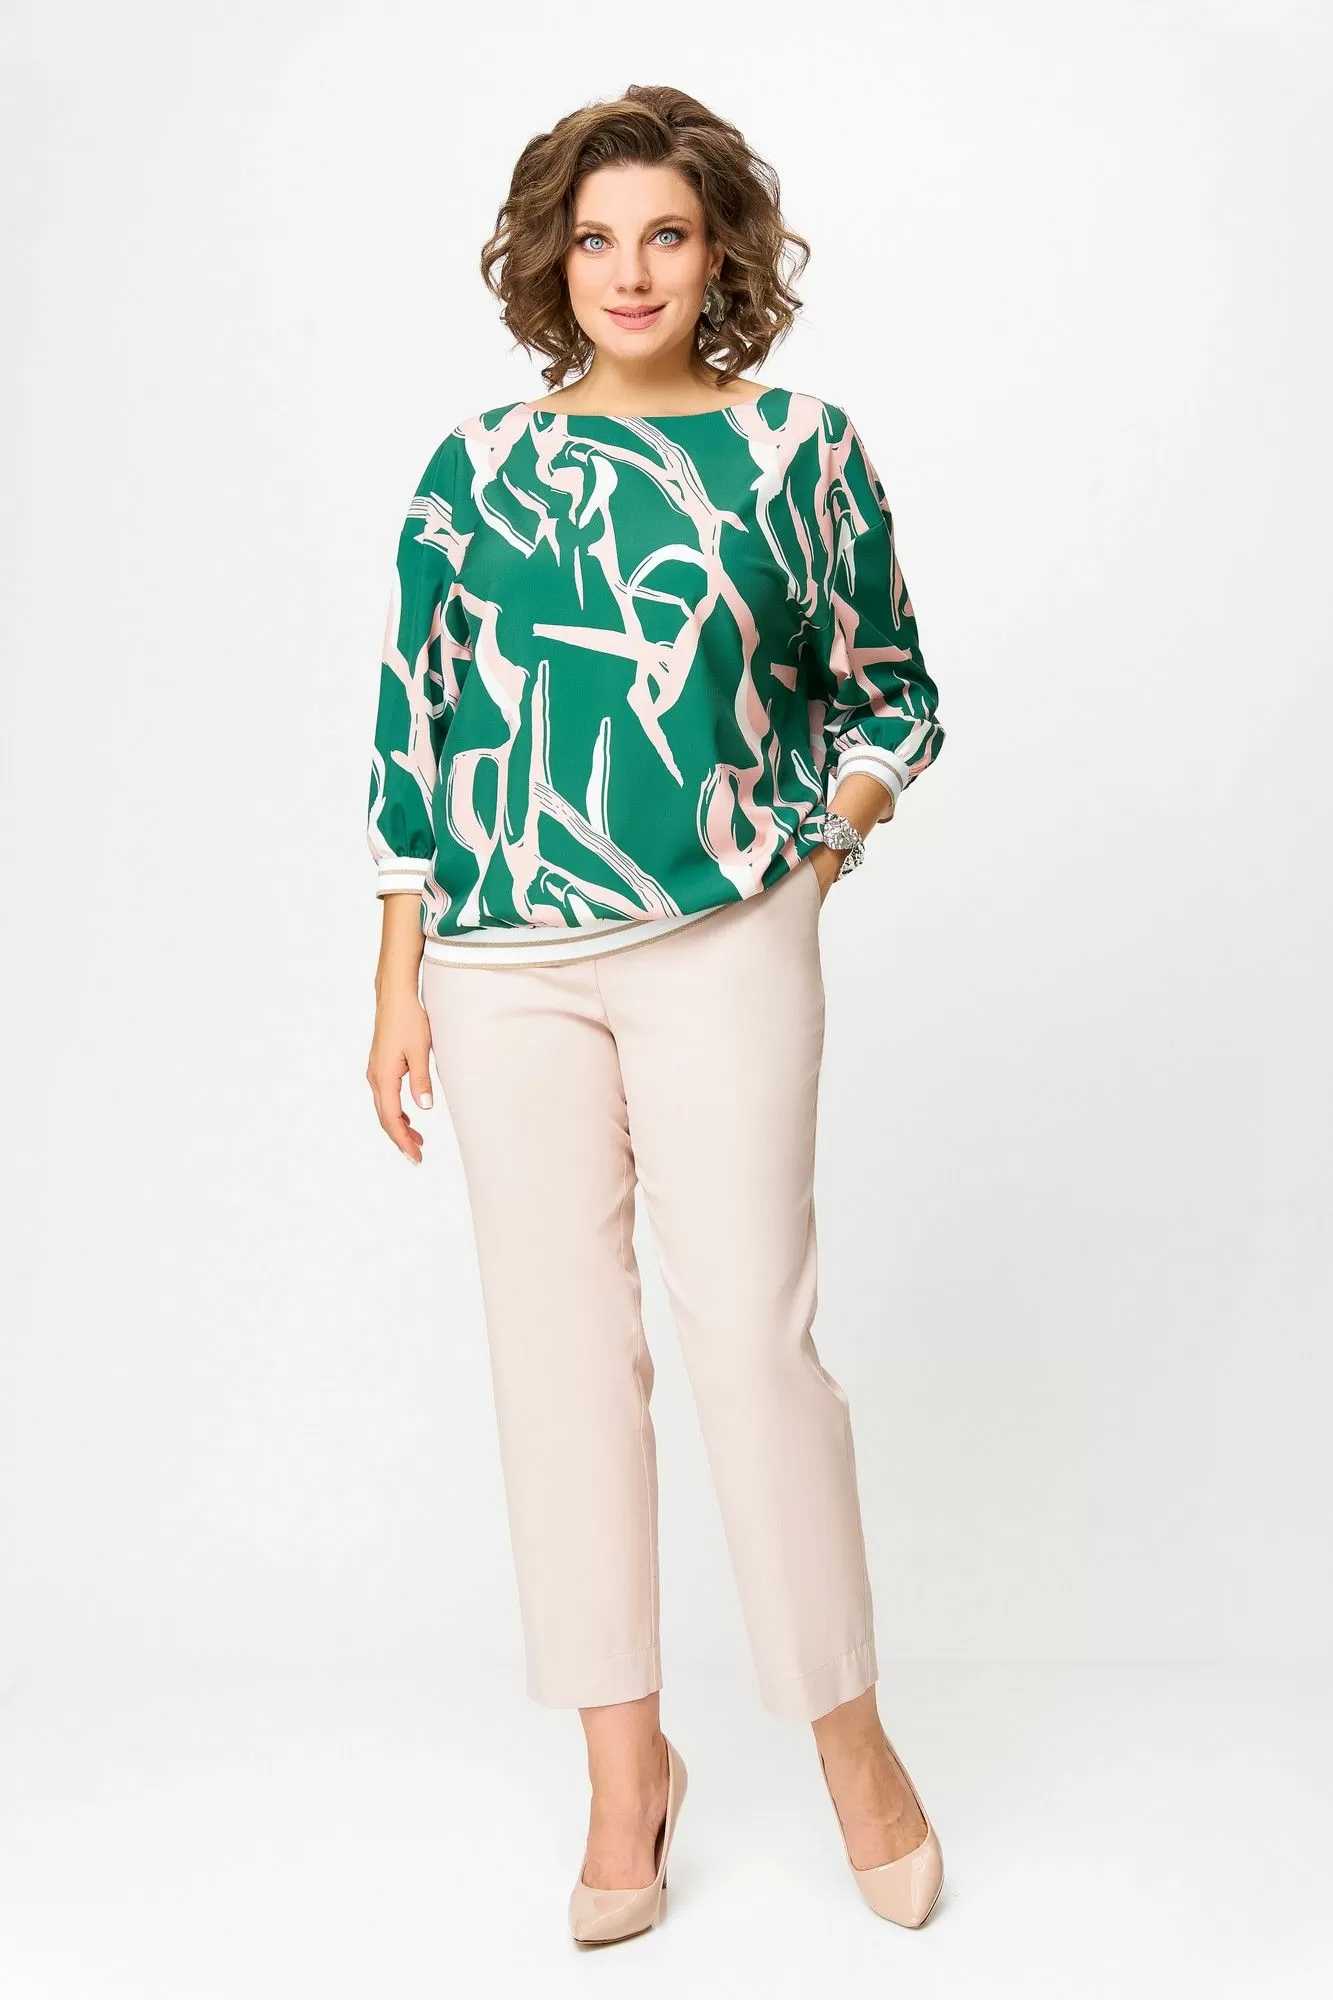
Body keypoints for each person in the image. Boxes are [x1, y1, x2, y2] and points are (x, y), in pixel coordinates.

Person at [364, 83, 947, 1943]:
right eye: (597, 238)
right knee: (557, 1363)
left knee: (751, 1342)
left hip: (724, 932)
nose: (630, 272)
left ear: (719, 256)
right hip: (499, 961)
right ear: (553, 260)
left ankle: (850, 1739)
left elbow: (893, 688)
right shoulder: (473, 469)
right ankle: (628, 1775)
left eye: (667, 236)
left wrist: (825, 846)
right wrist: (398, 976)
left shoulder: (798, 451)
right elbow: (416, 721)